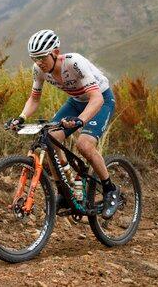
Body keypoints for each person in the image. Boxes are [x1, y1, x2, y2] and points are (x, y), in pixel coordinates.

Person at [7, 29, 120, 219]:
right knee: (50, 139)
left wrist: (80, 120)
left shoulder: (74, 63)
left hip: (101, 100)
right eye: (34, 58)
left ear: (55, 53)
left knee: (84, 145)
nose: (39, 62)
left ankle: (110, 189)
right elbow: (34, 99)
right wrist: (21, 117)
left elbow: (96, 98)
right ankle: (64, 191)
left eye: (42, 57)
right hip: (76, 102)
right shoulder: (39, 70)